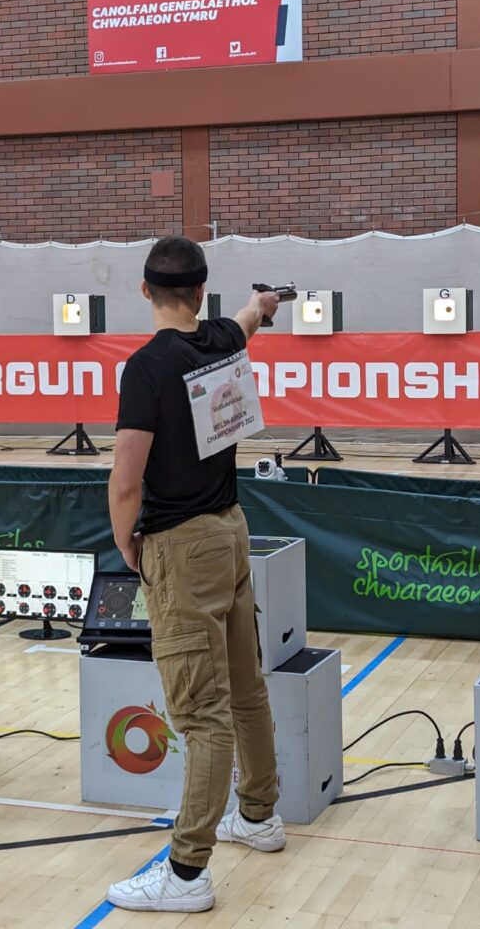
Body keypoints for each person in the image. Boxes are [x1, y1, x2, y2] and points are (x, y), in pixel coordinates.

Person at [107, 235, 286, 914]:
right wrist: (261, 307)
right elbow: (241, 323)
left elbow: (126, 482)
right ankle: (260, 815)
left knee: (200, 715)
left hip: (182, 547)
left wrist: (129, 547)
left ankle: (185, 874)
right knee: (245, 688)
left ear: (144, 291)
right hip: (231, 531)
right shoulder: (221, 340)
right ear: (202, 292)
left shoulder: (147, 368)